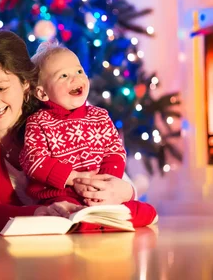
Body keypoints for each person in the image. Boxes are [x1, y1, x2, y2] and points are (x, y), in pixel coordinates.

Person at [0, 30, 137, 233]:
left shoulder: (52, 111)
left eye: (1, 88)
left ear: (26, 83)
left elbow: (104, 170)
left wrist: (124, 190)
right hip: (10, 251)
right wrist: (44, 212)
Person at [19, 42, 157, 227]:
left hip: (99, 189)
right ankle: (87, 221)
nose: (75, 78)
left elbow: (114, 151)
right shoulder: (39, 121)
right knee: (64, 211)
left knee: (146, 212)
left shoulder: (99, 116)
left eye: (79, 71)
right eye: (63, 76)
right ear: (42, 93)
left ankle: (104, 218)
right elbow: (34, 161)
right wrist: (74, 177)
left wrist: (105, 183)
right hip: (63, 192)